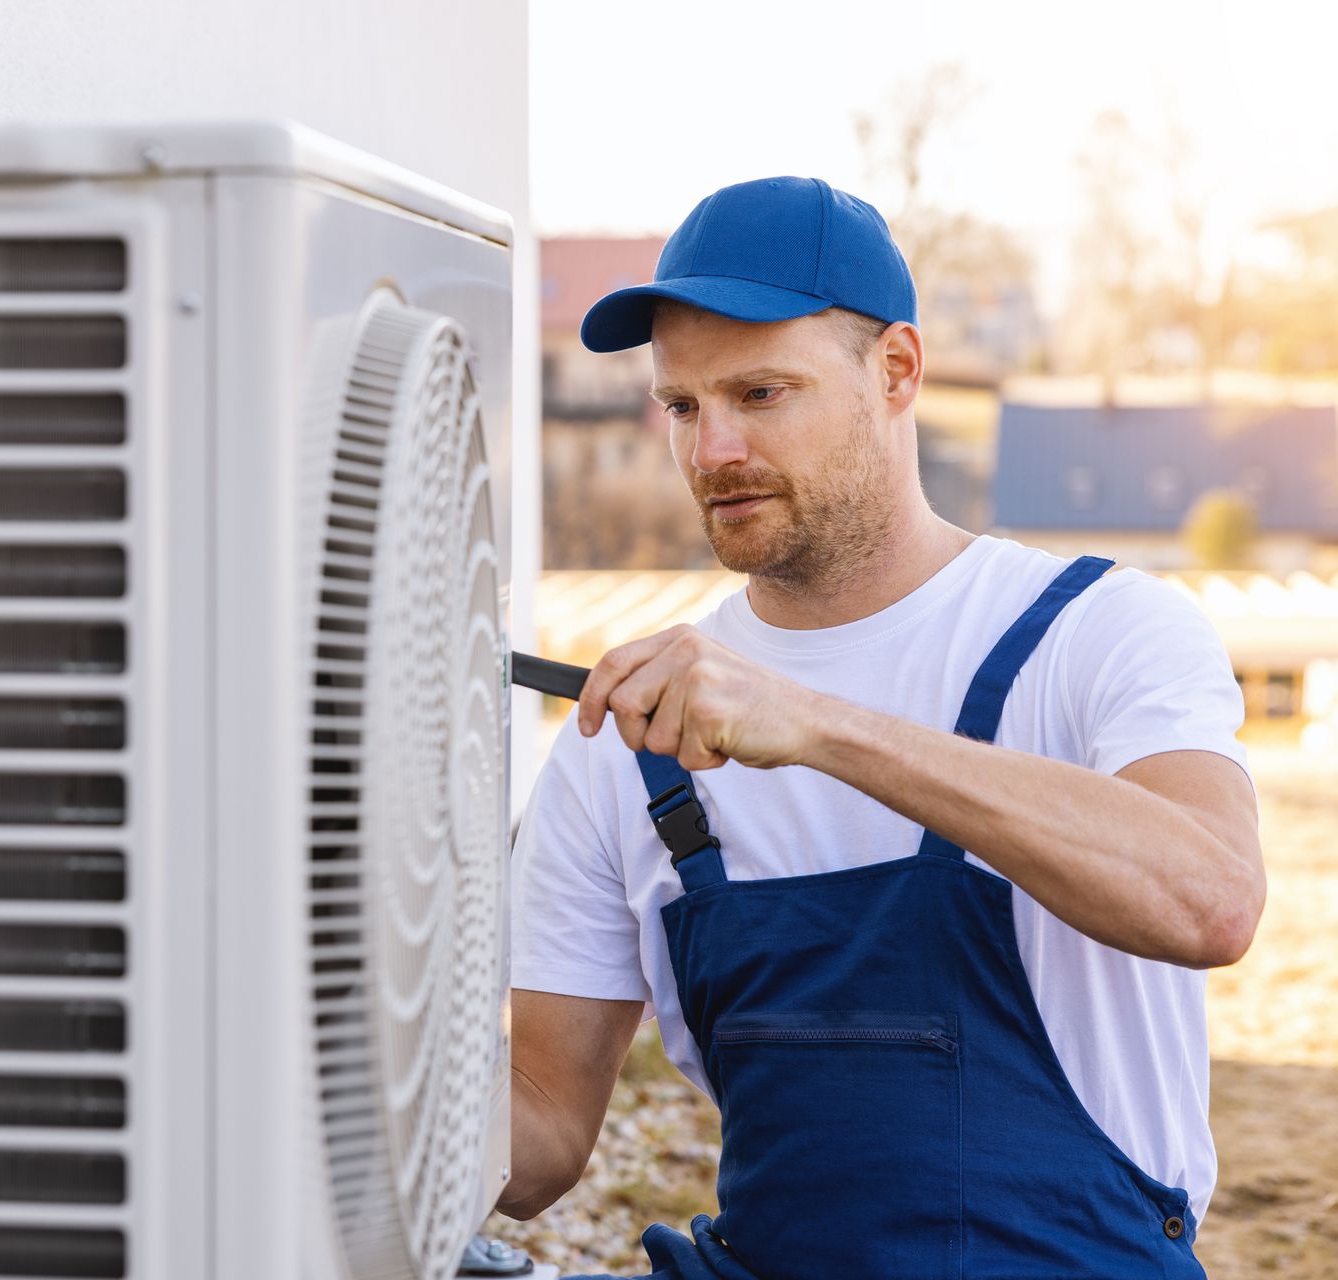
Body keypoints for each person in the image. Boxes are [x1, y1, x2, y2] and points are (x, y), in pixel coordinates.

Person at [500, 177, 1264, 1280]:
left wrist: (815, 724)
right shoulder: (622, 737)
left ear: (897, 370)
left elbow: (1212, 896)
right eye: (681, 405)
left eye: (761, 393)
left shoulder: (1100, 631)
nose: (712, 450)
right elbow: (540, 1141)